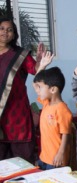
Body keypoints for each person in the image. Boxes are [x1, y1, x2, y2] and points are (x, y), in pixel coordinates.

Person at [0, 17, 47, 163]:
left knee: (22, 161)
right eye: (2, 28)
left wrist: (40, 61)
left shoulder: (20, 55)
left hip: (17, 112)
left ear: (14, 35)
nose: (5, 32)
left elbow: (35, 70)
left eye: (9, 30)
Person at [32, 66, 72, 170]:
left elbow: (66, 134)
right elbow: (35, 84)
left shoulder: (62, 109)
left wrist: (61, 154)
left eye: (41, 87)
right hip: (44, 157)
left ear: (53, 89)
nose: (38, 90)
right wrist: (42, 66)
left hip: (56, 161)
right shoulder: (46, 103)